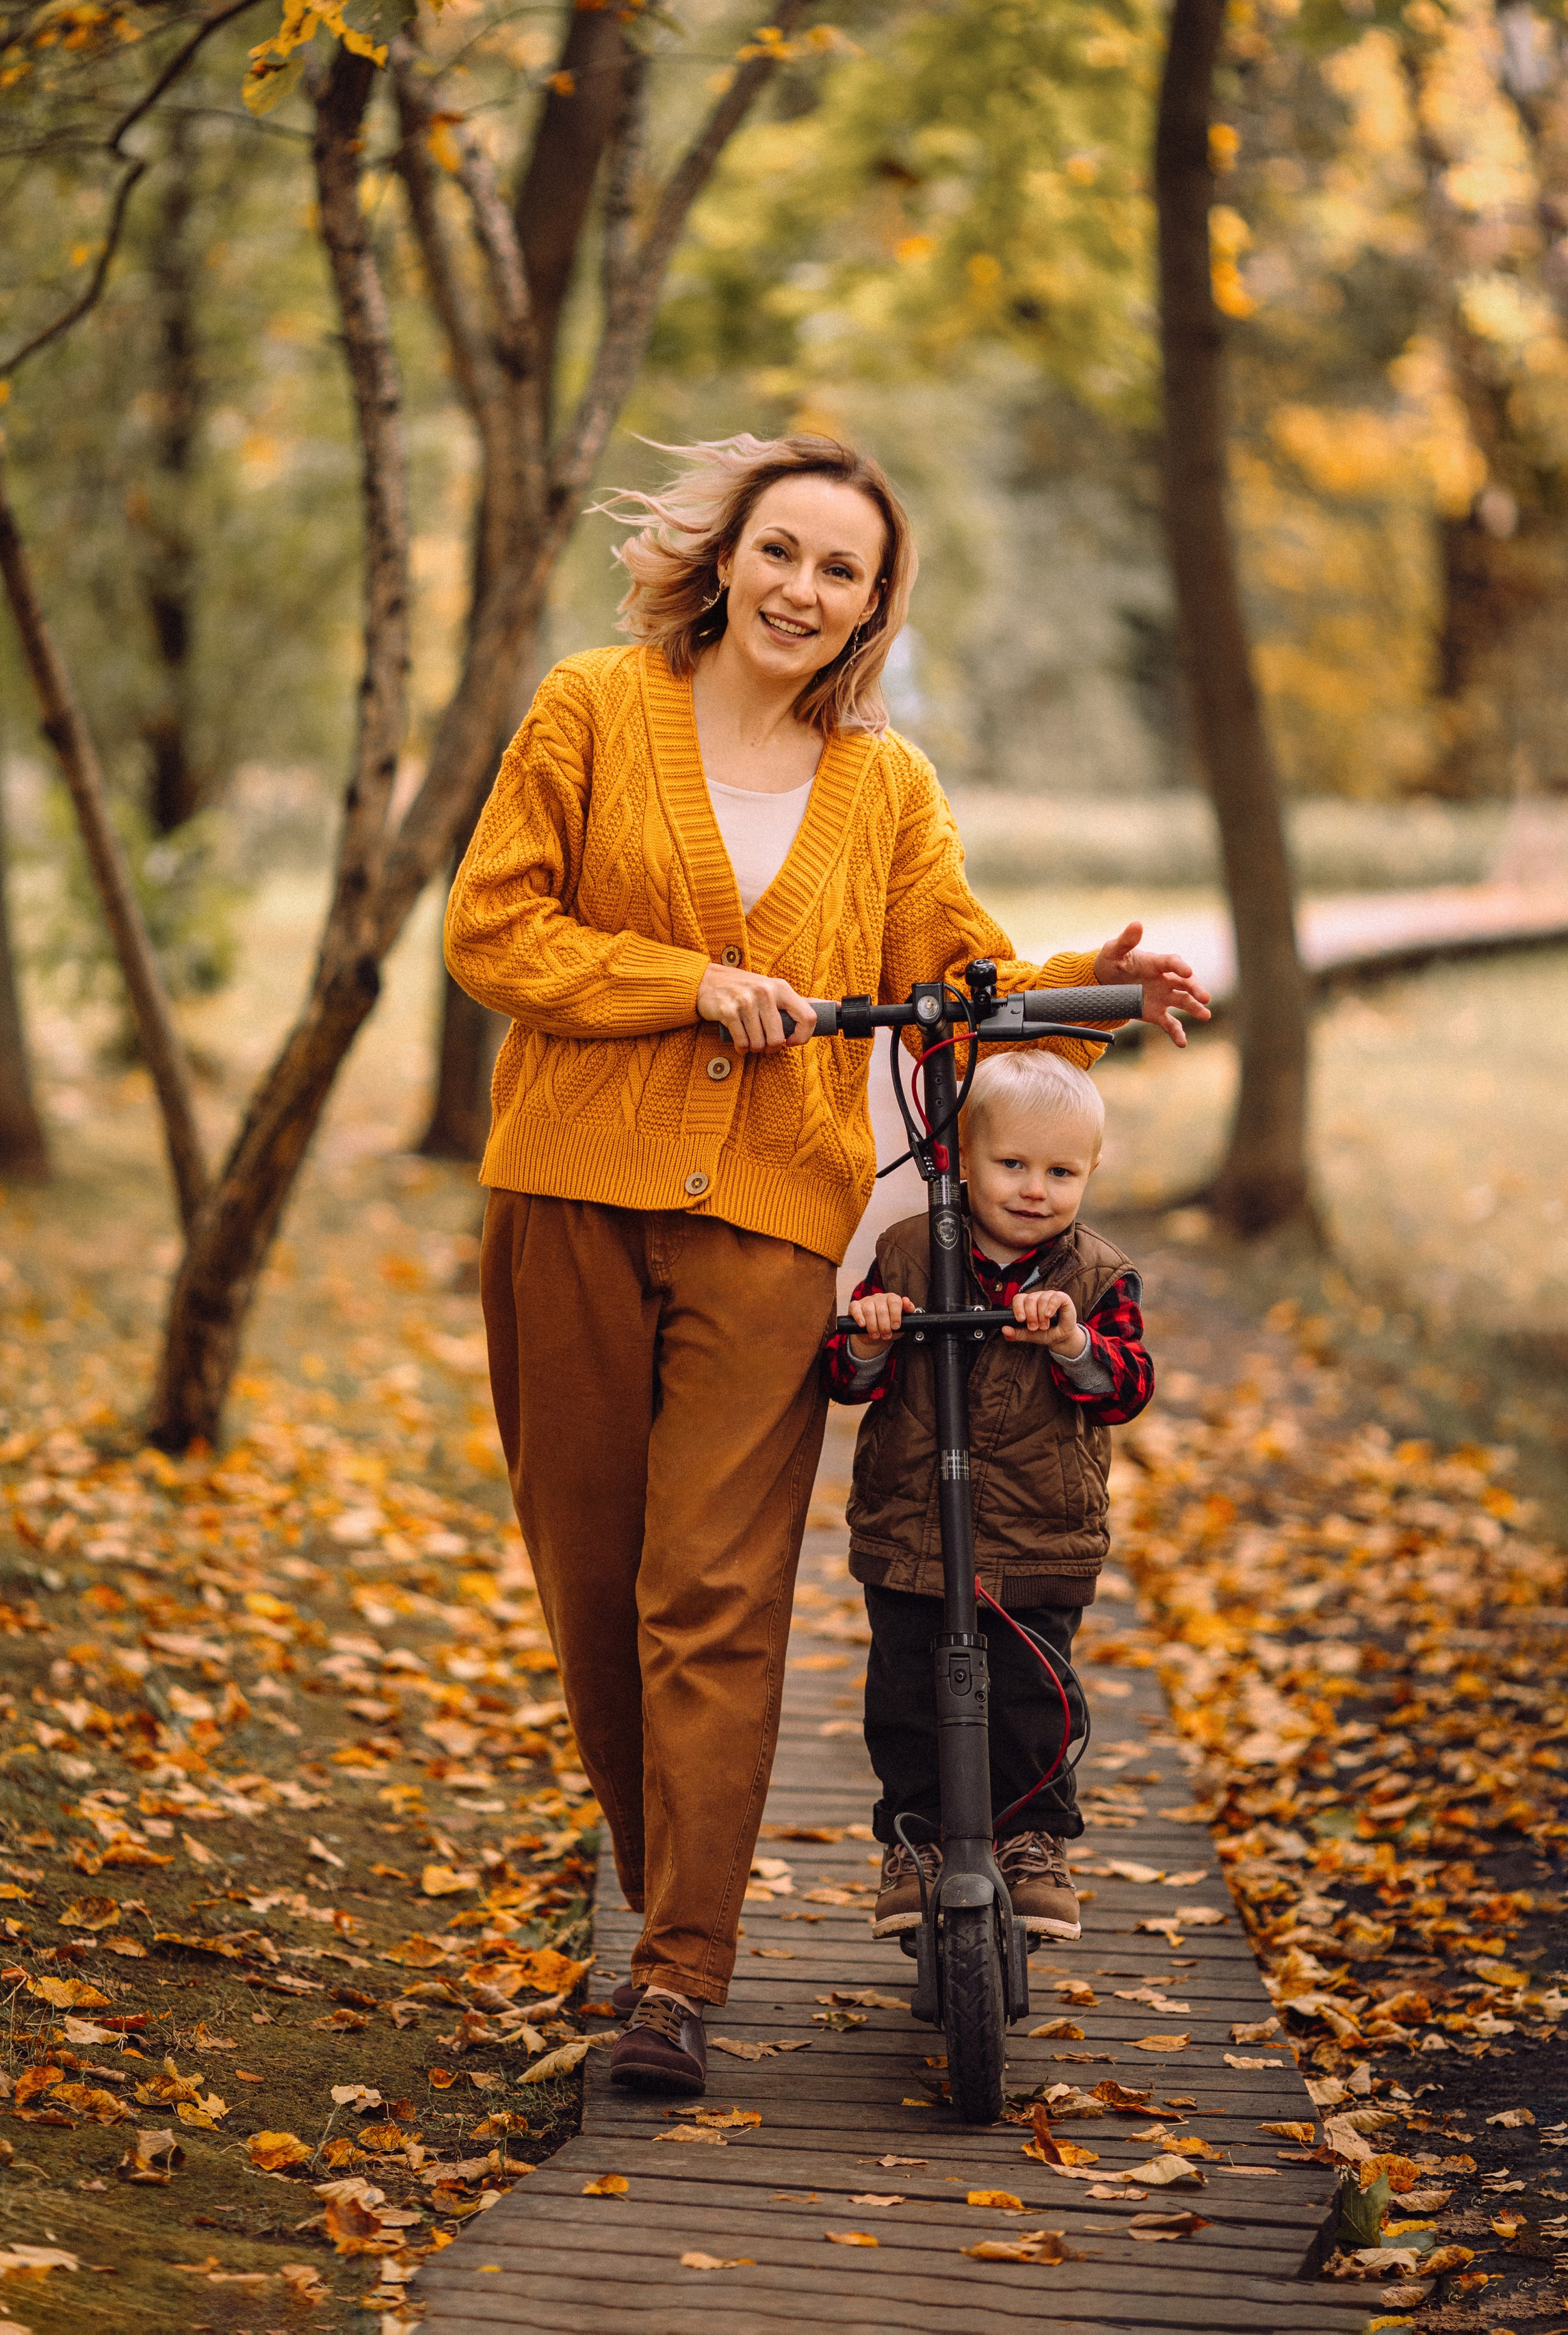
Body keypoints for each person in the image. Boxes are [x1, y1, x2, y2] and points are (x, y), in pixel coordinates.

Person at [443, 431, 1208, 2096]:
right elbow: (491, 932)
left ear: (871, 605)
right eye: (780, 550)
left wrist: (1085, 984)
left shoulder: (881, 785)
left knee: (710, 1590)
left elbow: (958, 975)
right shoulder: (589, 706)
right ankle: (659, 1883)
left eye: (840, 569)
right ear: (725, 557)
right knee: (592, 1579)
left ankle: (677, 1972)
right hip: (568, 1193)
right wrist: (683, 981)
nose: (802, 588)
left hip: (769, 1222)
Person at [825, 1049, 1153, 1944]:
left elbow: (1127, 1387)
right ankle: (916, 1842)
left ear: (1091, 1172)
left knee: (1030, 1698)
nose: (1036, 1189)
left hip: (1037, 1535)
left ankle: (1033, 1840)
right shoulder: (905, 1254)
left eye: (1062, 1172)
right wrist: (871, 1338)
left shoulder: (1099, 1276)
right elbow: (842, 1380)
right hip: (913, 1529)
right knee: (904, 1697)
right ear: (963, 1157)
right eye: (1013, 1164)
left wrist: (1073, 1344)